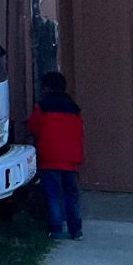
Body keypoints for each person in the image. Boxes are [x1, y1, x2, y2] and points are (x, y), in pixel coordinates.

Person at [28, 72, 85, 240]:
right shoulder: (74, 108)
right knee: (71, 194)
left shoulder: (43, 106)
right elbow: (80, 131)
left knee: (53, 194)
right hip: (71, 159)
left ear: (45, 88)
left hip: (50, 157)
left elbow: (34, 127)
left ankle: (56, 229)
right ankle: (76, 230)